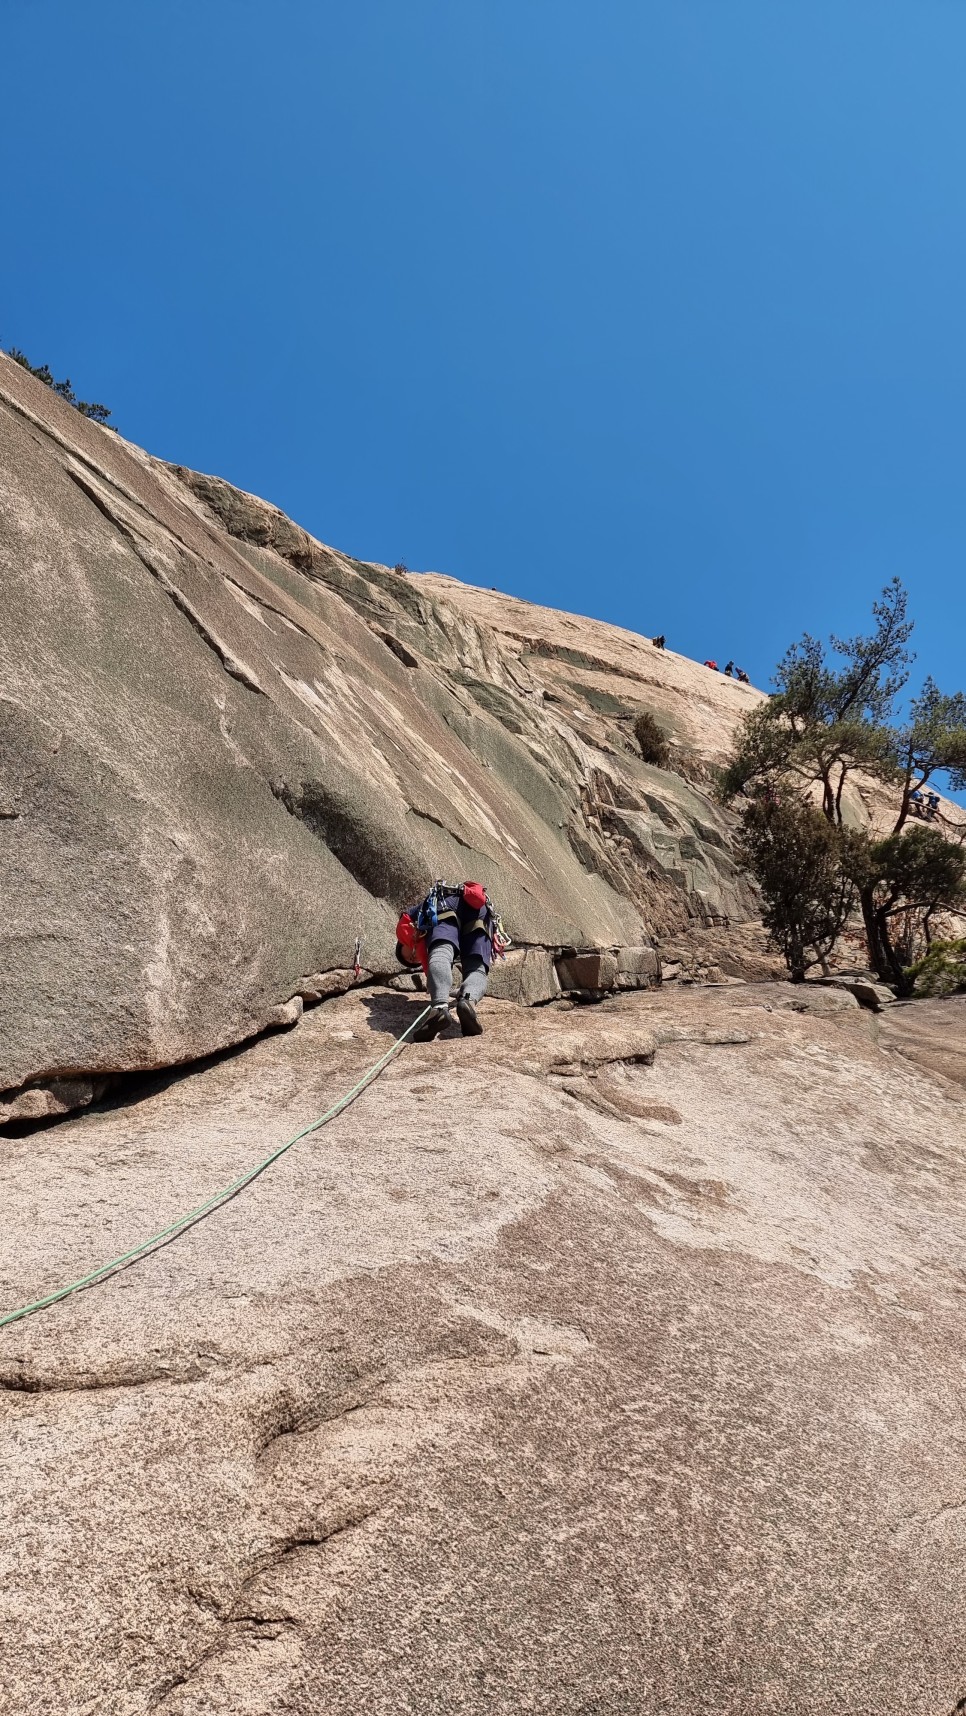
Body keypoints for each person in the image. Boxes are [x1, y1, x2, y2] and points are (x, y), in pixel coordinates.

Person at [396, 880, 505, 1041]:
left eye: (408, 955)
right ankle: (468, 1001)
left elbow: (422, 950)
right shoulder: (423, 949)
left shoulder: (404, 930)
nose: (413, 957)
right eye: (413, 961)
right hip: (479, 911)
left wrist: (434, 984)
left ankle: (439, 1008)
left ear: (401, 945)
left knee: (441, 951)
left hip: (445, 904)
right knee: (477, 967)